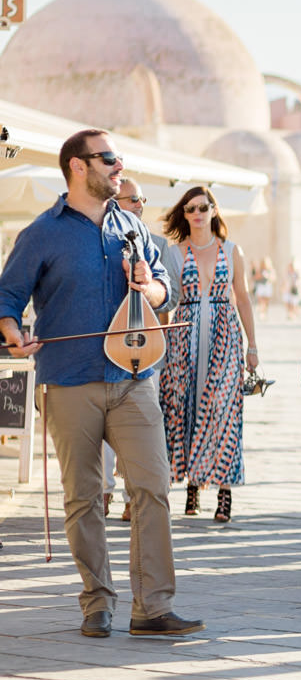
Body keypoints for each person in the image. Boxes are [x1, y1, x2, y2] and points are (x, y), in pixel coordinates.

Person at [0, 128, 203, 638]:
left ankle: (152, 607)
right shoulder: (43, 232)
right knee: (84, 497)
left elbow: (166, 292)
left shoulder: (132, 229)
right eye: (108, 159)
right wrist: (11, 333)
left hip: (135, 378)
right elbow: (7, 298)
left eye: (118, 159)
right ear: (77, 166)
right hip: (68, 380)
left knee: (152, 488)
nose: (118, 167)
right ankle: (97, 601)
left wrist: (150, 286)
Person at [160, 186, 259, 523]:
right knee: (183, 408)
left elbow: (243, 299)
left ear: (214, 210)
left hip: (225, 336)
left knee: (224, 410)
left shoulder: (232, 250)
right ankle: (193, 483)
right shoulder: (173, 254)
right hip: (183, 337)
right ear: (184, 215)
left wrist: (253, 346)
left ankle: (224, 492)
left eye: (203, 207)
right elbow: (165, 304)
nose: (197, 213)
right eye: (190, 209)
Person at [102, 176, 179, 523]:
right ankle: (104, 492)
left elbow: (170, 295)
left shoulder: (157, 242)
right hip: (105, 350)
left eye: (143, 199)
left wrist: (150, 288)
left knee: (143, 433)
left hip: (148, 347)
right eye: (133, 199)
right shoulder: (101, 240)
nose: (140, 205)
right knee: (105, 434)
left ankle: (135, 496)